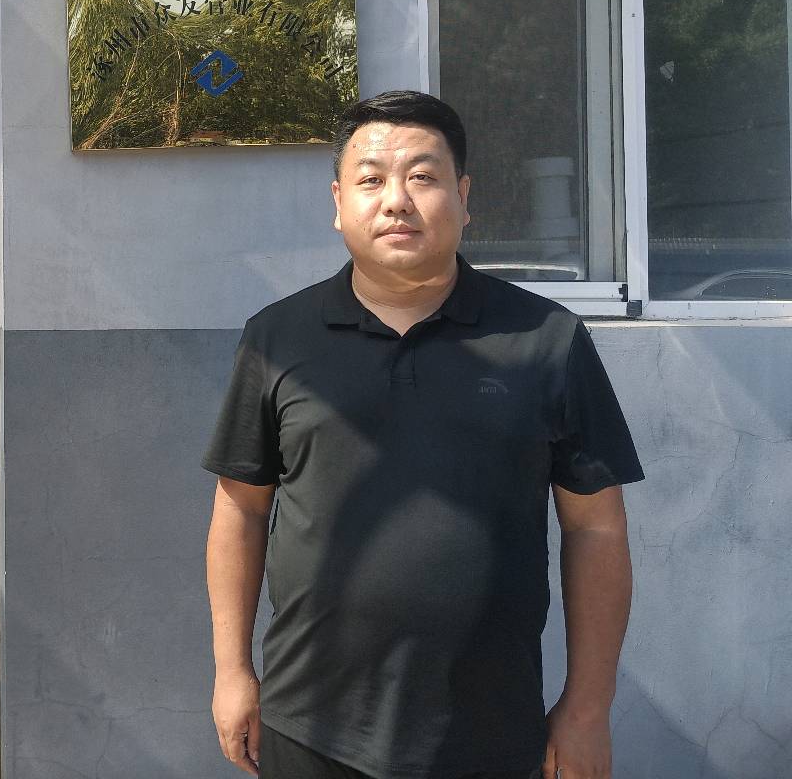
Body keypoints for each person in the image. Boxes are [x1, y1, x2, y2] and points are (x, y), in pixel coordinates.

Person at [203, 91, 643, 779]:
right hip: (311, 729)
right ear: (338, 202)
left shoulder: (546, 339)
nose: (396, 201)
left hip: (491, 732)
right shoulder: (276, 339)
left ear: (463, 197)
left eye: (423, 177)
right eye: (371, 179)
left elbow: (596, 527)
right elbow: (241, 509)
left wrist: (589, 706)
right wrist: (232, 672)